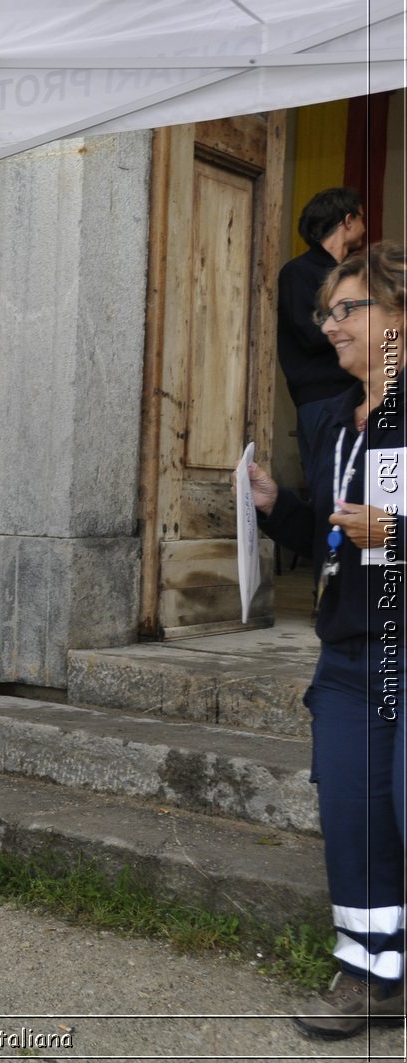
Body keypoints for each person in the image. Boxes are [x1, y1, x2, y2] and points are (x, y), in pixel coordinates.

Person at [250, 242, 406, 1041]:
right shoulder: (336, 424)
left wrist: (399, 533)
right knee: (352, 813)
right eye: (326, 313)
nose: (330, 325)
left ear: (399, 320)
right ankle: (370, 976)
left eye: (347, 309)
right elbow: (332, 534)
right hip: (349, 654)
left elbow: (386, 533)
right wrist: (279, 507)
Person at [279, 188, 368, 482]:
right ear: (347, 220)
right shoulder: (298, 272)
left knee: (356, 484)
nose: (365, 227)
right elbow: (312, 334)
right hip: (321, 397)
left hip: (356, 394)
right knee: (327, 485)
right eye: (361, 218)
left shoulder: (352, 275)